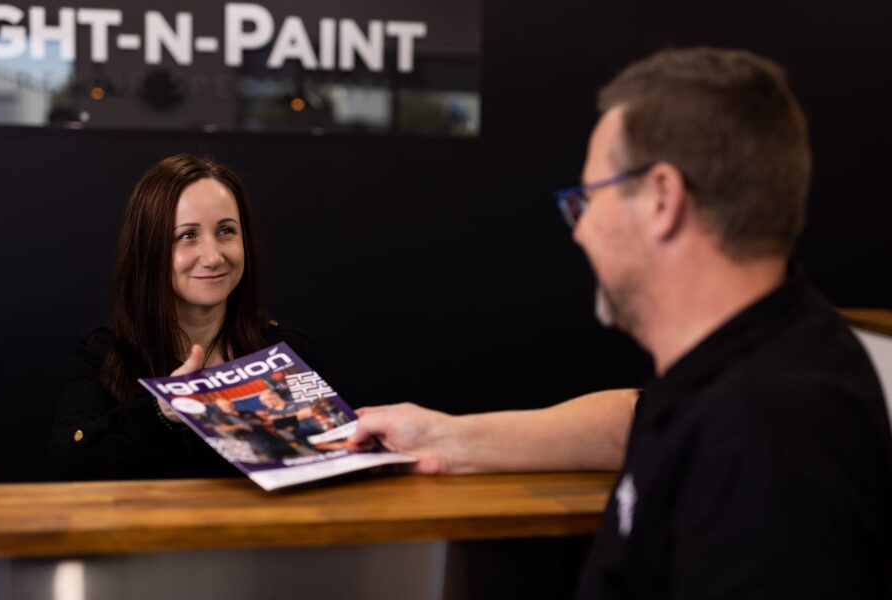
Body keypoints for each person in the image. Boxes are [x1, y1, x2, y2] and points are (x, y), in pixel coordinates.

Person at [350, 47, 892, 597]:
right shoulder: (758, 356)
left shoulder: (766, 444)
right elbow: (635, 420)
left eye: (587, 199)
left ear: (662, 198)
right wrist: (441, 436)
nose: (579, 231)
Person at [49, 154, 312, 479]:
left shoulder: (289, 351)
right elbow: (69, 464)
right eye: (187, 235)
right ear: (149, 249)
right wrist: (161, 411)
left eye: (227, 231)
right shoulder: (101, 356)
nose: (213, 257)